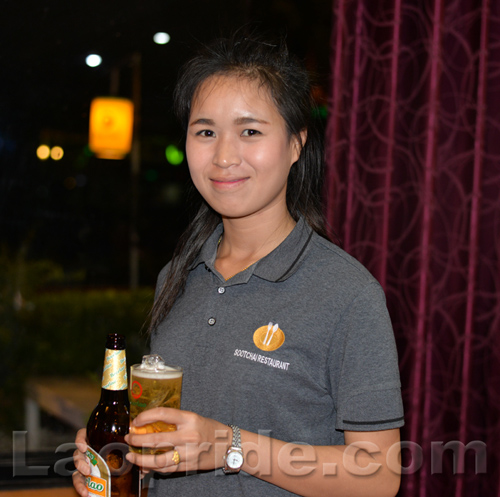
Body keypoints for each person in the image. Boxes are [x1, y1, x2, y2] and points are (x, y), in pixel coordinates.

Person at [73, 31, 404, 497]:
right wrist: (123, 468)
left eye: (250, 131)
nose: (224, 156)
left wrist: (229, 446)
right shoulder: (179, 275)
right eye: (205, 132)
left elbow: (380, 475)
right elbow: (175, 443)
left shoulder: (347, 293)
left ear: (296, 145)